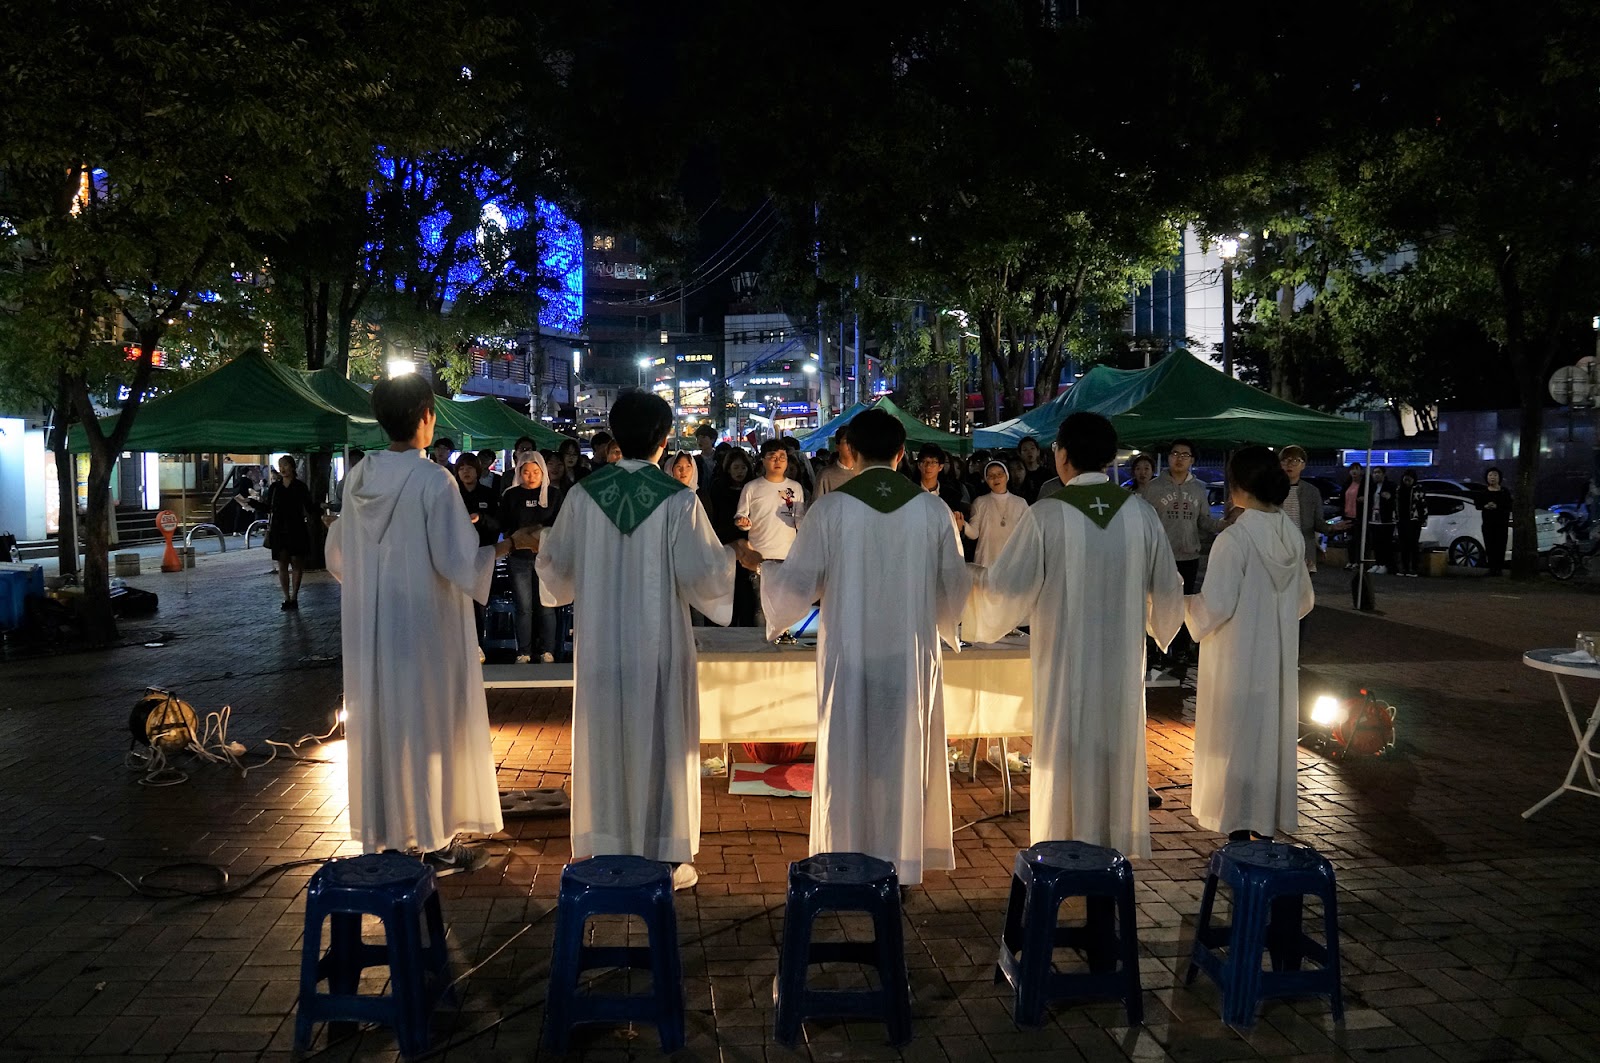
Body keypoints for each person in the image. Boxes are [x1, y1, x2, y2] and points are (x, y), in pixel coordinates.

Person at [745, 408, 971, 887]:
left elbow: (798, 584)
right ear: (902, 454)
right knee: (902, 755)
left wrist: (761, 569)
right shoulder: (930, 510)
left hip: (849, 654)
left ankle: (847, 860)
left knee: (849, 756)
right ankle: (902, 862)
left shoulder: (831, 508)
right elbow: (953, 590)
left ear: (851, 450)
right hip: (909, 657)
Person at [325, 373, 534, 869]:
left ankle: (390, 835)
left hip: (373, 629)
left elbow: (337, 556)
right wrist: (509, 546)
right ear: (426, 417)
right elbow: (458, 562)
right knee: (430, 726)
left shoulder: (356, 478)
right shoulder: (432, 480)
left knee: (384, 726)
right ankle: (435, 838)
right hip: (423, 627)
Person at [536, 392, 736, 890]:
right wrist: (735, 558)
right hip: (658, 645)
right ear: (665, 439)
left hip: (601, 645)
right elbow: (705, 576)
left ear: (614, 436)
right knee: (662, 740)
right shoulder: (677, 499)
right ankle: (665, 853)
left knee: (605, 738)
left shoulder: (583, 495)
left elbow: (555, 572)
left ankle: (604, 841)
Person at [967, 413, 1183, 855]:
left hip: (1064, 666)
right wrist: (1159, 626)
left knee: (1066, 749)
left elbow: (1003, 590)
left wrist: (963, 579)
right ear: (1108, 457)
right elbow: (1167, 592)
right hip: (1122, 667)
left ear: (1062, 455)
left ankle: (1063, 849)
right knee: (1115, 748)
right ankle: (1112, 847)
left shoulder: (1048, 515)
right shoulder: (1140, 514)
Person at [1185, 446, 1314, 841]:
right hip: (1275, 659)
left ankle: (1239, 829)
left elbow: (1216, 606)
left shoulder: (1235, 538)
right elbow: (1304, 600)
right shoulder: (1290, 534)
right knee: (1267, 738)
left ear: (1237, 485)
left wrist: (1178, 603)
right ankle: (1266, 822)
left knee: (1236, 738)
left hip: (1237, 658)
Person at [1139, 440, 1225, 677]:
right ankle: (1155, 649)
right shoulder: (1153, 488)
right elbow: (1145, 522)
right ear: (1168, 458)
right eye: (1175, 454)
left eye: (1185, 455)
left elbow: (1204, 521)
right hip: (1160, 556)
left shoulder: (1198, 488)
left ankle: (1180, 649)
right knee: (1155, 602)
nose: (1179, 458)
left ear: (1192, 460)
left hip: (1189, 555)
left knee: (1185, 604)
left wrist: (1224, 525)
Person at [500, 451, 562, 663]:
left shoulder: (553, 495)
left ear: (543, 472)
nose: (531, 476)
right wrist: (520, 538)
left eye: (536, 472)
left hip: (546, 557)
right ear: (519, 472)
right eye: (526, 472)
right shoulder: (511, 495)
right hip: (519, 557)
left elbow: (558, 524)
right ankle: (523, 651)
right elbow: (505, 524)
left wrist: (538, 534)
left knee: (546, 605)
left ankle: (547, 650)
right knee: (523, 606)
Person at [708, 449, 758, 626]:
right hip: (724, 545)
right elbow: (714, 519)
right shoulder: (717, 489)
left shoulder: (753, 489)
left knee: (746, 594)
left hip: (749, 548)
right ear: (728, 468)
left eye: (743, 468)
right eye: (736, 467)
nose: (740, 472)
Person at [735, 439, 806, 563]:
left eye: (782, 457)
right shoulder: (751, 487)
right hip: (759, 554)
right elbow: (741, 514)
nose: (778, 461)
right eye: (773, 457)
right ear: (763, 460)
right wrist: (743, 522)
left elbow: (799, 519)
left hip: (788, 555)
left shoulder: (795, 487)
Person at [264, 455, 317, 610]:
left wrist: (320, 506)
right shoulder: (275, 488)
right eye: (280, 466)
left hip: (296, 528)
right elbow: (268, 507)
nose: (283, 469)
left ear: (292, 467)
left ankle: (294, 596)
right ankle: (286, 596)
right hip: (279, 529)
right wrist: (251, 503)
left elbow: (309, 506)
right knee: (282, 564)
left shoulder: (300, 486)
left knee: (296, 564)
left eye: (285, 465)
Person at [962, 460, 1029, 567]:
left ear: (1007, 476)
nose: (996, 478)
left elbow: (1027, 534)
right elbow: (974, 534)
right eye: (991, 476)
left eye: (999, 474)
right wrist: (963, 525)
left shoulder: (1020, 503)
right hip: (986, 560)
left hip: (1013, 562)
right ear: (986, 480)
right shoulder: (980, 502)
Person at [1278, 446, 1325, 572]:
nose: (1289, 465)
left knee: (1303, 589)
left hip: (1304, 550)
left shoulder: (1312, 492)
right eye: (1285, 460)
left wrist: (1332, 528)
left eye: (1295, 461)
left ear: (1303, 465)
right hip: (1278, 548)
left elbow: (1318, 522)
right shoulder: (1271, 489)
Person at [1396, 471, 1428, 577]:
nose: (1407, 481)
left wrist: (1423, 519)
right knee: (1403, 545)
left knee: (1413, 545)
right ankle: (1404, 568)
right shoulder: (1399, 490)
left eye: (1410, 479)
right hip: (1402, 520)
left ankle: (1414, 568)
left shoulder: (1418, 490)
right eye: (1406, 479)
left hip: (1414, 521)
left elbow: (1423, 505)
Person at [1481, 466, 1512, 575]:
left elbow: (1509, 504)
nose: (1492, 478)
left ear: (1499, 478)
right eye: (1490, 475)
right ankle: (1492, 568)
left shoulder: (1504, 491)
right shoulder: (1484, 492)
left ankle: (1499, 568)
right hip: (1488, 524)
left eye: (1495, 475)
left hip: (1501, 523)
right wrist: (1486, 506)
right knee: (1490, 546)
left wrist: (1497, 506)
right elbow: (1478, 504)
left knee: (1501, 545)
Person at [1366, 467, 1396, 574]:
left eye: (1378, 472)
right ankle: (1378, 563)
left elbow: (1395, 500)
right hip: (1374, 517)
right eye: (1374, 473)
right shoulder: (1372, 487)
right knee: (1376, 542)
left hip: (1386, 519)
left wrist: (1389, 498)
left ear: (1383, 474)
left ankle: (1386, 564)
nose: (1376, 475)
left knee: (1385, 542)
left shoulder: (1390, 486)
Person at [814, 428, 859, 497]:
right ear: (837, 447)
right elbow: (817, 504)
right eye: (847, 442)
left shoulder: (863, 473)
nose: (851, 446)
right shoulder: (825, 475)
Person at [1016, 436, 1051, 502]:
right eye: (1025, 450)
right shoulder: (1020, 475)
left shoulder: (1047, 473)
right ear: (1020, 454)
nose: (1029, 452)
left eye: (1032, 448)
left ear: (1038, 452)